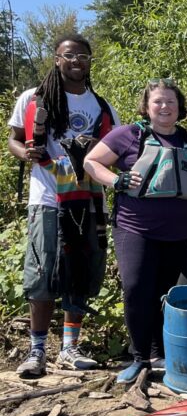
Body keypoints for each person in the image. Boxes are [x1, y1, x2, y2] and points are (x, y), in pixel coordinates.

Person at [84, 79, 187, 383]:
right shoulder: (128, 135)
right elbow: (91, 162)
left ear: (180, 106)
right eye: (157, 101)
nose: (164, 107)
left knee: (164, 294)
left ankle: (158, 354)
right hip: (135, 229)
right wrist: (115, 180)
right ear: (146, 106)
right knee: (135, 289)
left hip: (179, 232)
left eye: (170, 101)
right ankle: (139, 357)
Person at [7, 34, 120, 376]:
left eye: (83, 56)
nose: (76, 61)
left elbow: (112, 153)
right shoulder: (34, 98)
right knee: (41, 272)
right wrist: (24, 153)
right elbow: (13, 138)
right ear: (57, 59)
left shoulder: (101, 106)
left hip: (88, 199)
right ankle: (37, 350)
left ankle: (70, 347)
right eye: (69, 56)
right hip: (47, 198)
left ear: (89, 62)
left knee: (80, 271)